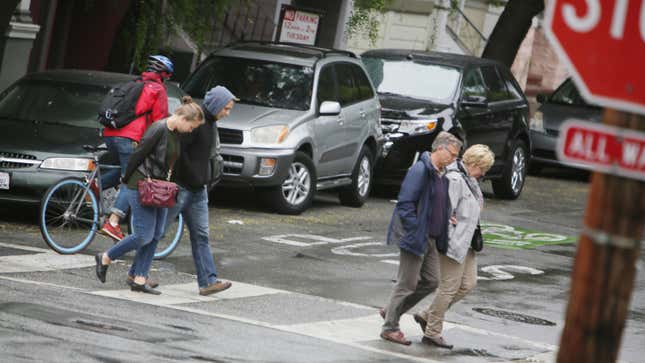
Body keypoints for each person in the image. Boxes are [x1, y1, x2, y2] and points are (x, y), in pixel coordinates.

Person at [94, 97, 204, 294]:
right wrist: (126, 180)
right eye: (192, 127)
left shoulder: (175, 133)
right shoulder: (159, 128)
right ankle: (106, 256)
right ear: (185, 119)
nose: (191, 131)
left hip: (160, 188)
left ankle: (139, 278)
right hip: (141, 184)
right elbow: (138, 155)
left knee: (156, 234)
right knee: (143, 235)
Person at [379, 131, 463, 346]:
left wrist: (448, 216)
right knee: (406, 284)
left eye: (456, 156)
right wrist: (416, 229)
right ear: (439, 148)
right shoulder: (421, 170)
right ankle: (390, 327)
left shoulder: (440, 173)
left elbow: (438, 203)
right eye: (452, 154)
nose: (454, 159)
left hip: (432, 238)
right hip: (416, 237)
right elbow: (405, 204)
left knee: (432, 281)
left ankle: (391, 311)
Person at [158, 85, 237, 296]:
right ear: (216, 104)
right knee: (157, 232)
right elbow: (178, 151)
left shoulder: (211, 124)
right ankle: (136, 272)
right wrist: (186, 176)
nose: (227, 113)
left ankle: (208, 282)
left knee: (201, 236)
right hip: (182, 187)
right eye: (226, 108)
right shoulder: (198, 122)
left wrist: (204, 180)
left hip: (199, 190)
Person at [418, 144, 494, 349]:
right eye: (483, 168)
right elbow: (444, 209)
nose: (483, 173)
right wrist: (448, 231)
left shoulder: (471, 180)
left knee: (468, 283)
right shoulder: (455, 179)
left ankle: (427, 315)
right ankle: (432, 332)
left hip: (467, 242)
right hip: (454, 241)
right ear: (474, 163)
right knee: (449, 287)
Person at [100, 55, 174, 242]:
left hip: (110, 134)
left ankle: (92, 189)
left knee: (121, 171)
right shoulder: (158, 90)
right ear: (164, 74)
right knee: (131, 178)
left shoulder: (132, 84)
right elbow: (160, 122)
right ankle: (114, 222)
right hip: (130, 138)